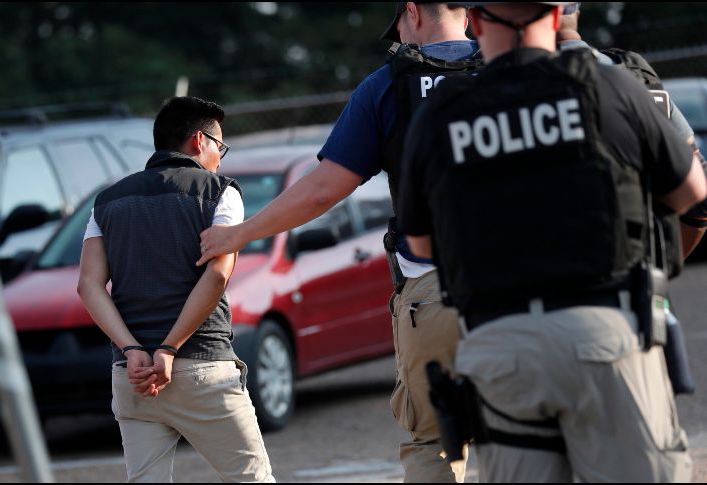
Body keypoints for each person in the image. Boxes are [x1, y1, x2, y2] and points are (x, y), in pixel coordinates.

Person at [398, 2, 706, 482]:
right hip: (605, 333)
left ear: (476, 22)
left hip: (501, 347)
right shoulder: (610, 85)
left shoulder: (443, 114)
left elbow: (420, 245)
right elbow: (693, 195)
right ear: (559, 13)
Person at [197, 2, 479, 482]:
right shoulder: (515, 68)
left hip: (436, 292)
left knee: (435, 443)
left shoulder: (388, 85)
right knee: (531, 432)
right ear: (468, 14)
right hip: (530, 285)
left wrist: (238, 233)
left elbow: (324, 189)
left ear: (411, 12)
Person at [77, 96, 275, 483]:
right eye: (222, 147)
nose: (222, 157)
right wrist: (168, 348)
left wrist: (132, 349)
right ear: (200, 142)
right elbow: (217, 276)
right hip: (203, 364)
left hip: (132, 375)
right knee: (250, 478)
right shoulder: (221, 191)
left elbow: (88, 285)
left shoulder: (107, 201)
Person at [558, 2, 707, 259]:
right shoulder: (632, 77)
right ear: (577, 13)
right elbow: (699, 200)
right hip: (633, 284)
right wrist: (656, 268)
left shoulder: (505, 93)